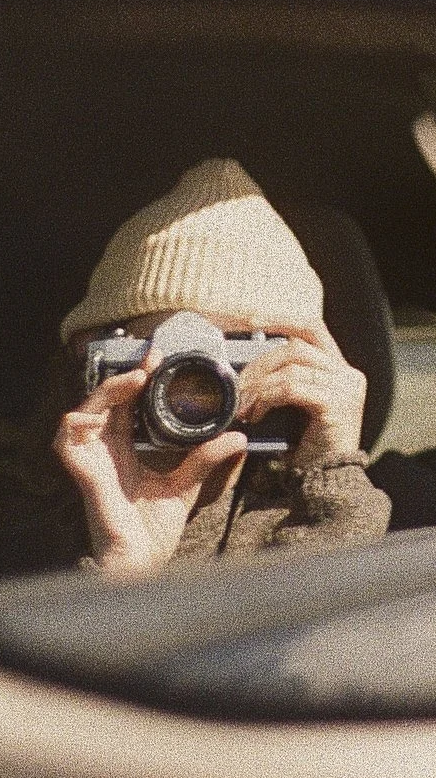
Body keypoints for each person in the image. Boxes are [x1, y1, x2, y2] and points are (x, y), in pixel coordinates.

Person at [52, 158, 392, 576]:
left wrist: (332, 472)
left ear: (297, 373)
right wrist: (124, 563)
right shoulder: (7, 528)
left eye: (232, 355)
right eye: (165, 352)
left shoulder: (317, 514)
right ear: (98, 363)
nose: (195, 387)